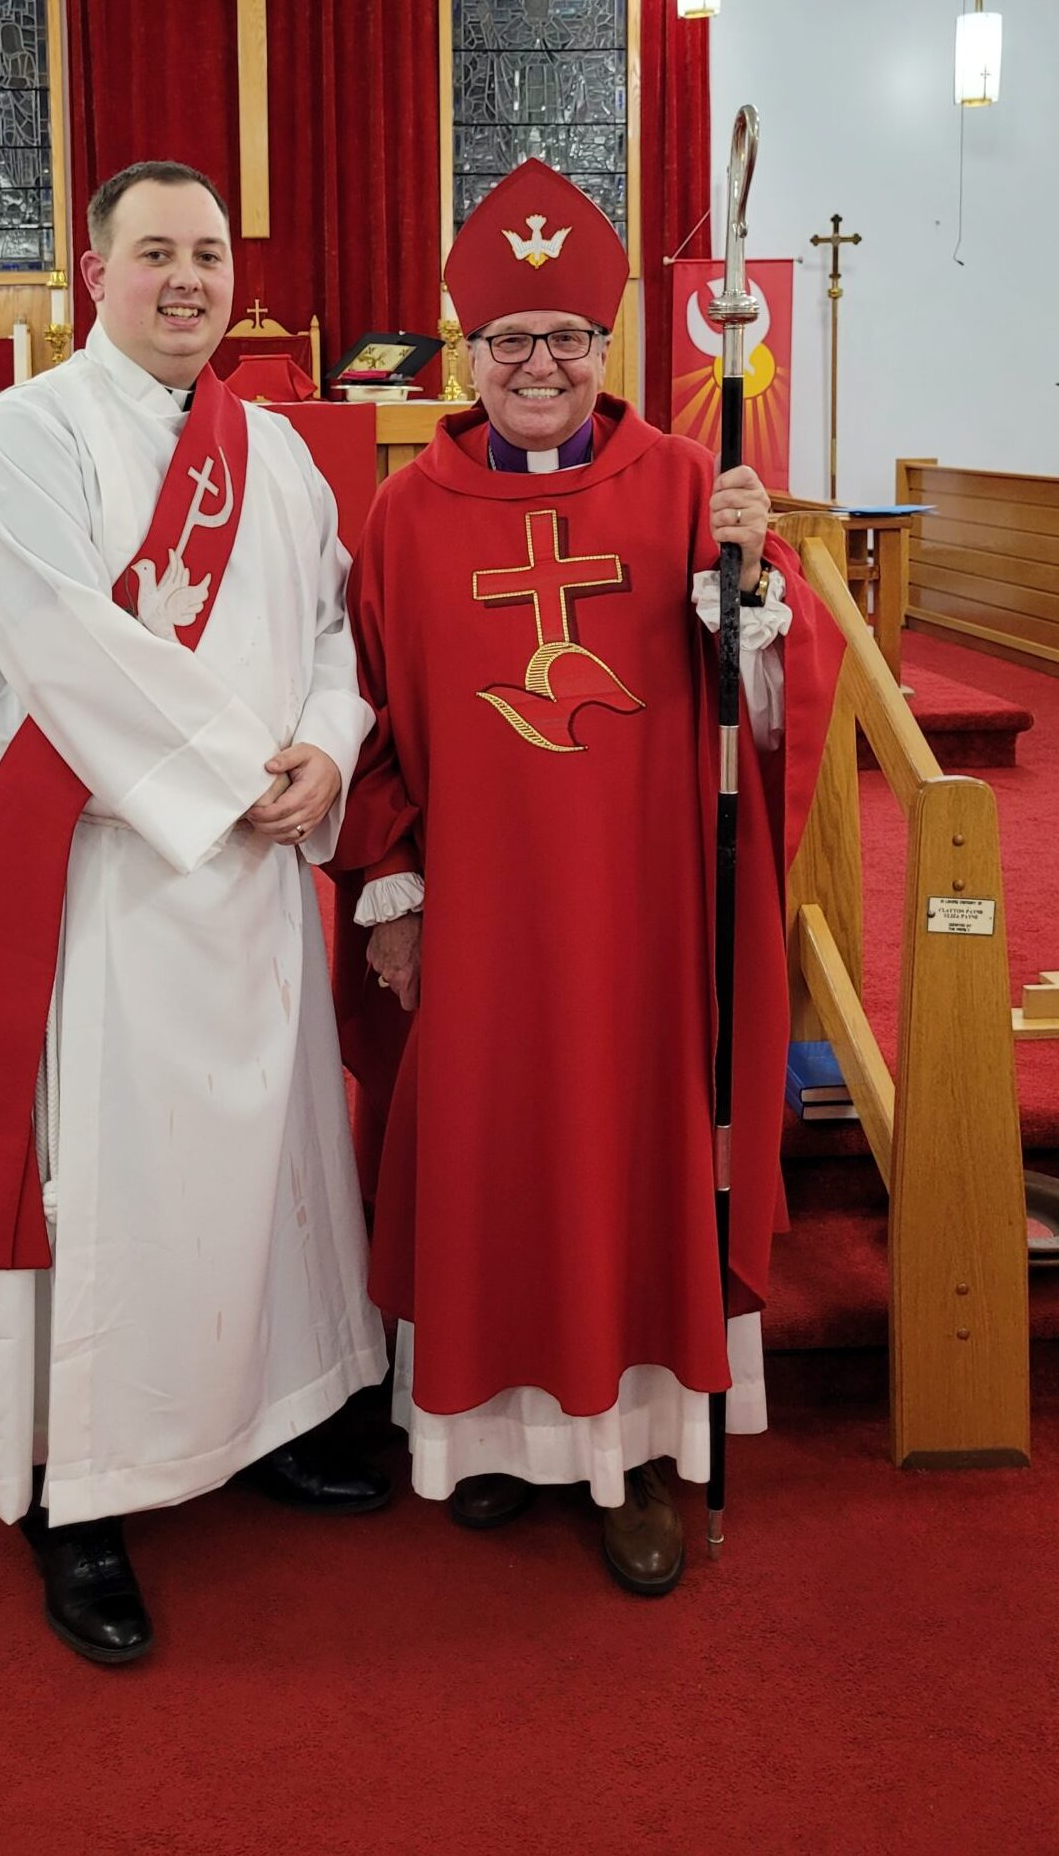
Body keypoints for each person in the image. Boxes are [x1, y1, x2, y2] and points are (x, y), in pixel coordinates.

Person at [334, 158, 840, 1596]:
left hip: (642, 918)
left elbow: (770, 691)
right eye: (508, 340)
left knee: (627, 1156)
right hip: (479, 921)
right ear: (466, 355)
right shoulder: (405, 513)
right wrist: (392, 889)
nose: (537, 364)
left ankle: (630, 1463)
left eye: (564, 337)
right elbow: (359, 715)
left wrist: (749, 599)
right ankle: (494, 1434)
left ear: (606, 351)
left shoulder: (691, 487)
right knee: (492, 1151)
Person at [0, 160, 390, 1666]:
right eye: (156, 254)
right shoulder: (26, 436)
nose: (187, 279)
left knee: (261, 1161)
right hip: (113, 878)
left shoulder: (277, 448)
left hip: (252, 868)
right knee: (117, 1188)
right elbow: (57, 643)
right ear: (94, 270)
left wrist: (322, 749)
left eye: (208, 254)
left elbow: (333, 623)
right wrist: (222, 773)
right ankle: (88, 1491)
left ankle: (266, 1415)